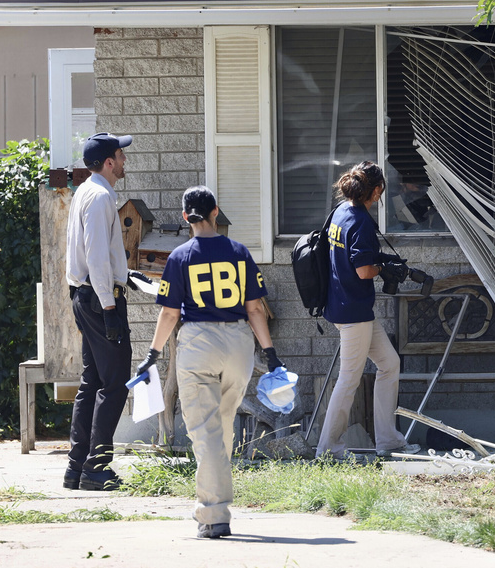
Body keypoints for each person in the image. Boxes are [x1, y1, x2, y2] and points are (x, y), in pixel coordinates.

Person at [136, 185, 285, 539]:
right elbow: (255, 310)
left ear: (186, 217)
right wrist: (272, 355)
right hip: (238, 343)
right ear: (216, 212)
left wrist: (152, 354)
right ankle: (217, 501)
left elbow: (170, 314)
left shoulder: (180, 256)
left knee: (205, 432)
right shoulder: (239, 252)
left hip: (199, 342)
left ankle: (215, 514)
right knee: (223, 424)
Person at [315, 161, 419, 459]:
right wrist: (383, 268)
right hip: (353, 312)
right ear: (375, 191)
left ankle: (388, 441)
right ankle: (327, 449)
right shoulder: (359, 220)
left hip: (346, 306)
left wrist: (383, 261)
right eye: (381, 190)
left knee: (389, 364)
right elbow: (363, 270)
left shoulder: (341, 212)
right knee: (349, 378)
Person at [63, 132, 133, 491]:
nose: (124, 160)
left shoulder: (86, 191)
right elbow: (95, 255)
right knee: (116, 381)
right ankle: (96, 467)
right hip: (99, 299)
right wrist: (109, 306)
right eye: (120, 155)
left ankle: (77, 466)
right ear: (109, 162)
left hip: (86, 294)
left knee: (92, 382)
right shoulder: (101, 195)